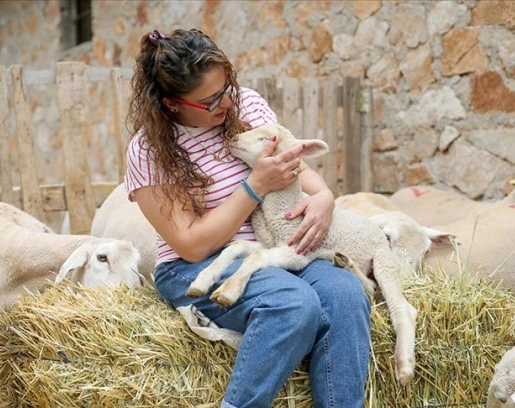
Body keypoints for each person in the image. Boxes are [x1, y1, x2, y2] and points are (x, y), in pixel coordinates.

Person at [124, 28, 371, 408]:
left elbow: (298, 170)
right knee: (292, 304)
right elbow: (191, 244)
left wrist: (324, 197)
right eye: (210, 100)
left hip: (272, 245)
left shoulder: (248, 106)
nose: (226, 103)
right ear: (173, 104)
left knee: (345, 292)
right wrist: (254, 186)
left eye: (227, 88)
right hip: (198, 264)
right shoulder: (148, 150)